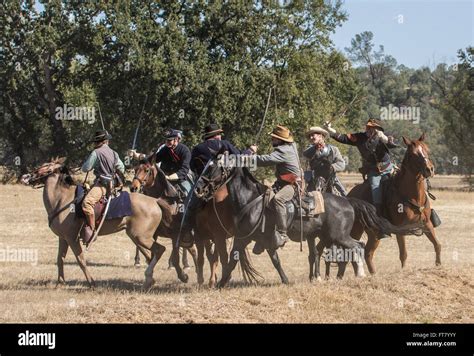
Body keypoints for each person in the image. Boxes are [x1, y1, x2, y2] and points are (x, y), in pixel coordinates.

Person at [179, 123, 251, 247]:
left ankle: (186, 232)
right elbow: (240, 156)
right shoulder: (225, 144)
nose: (220, 136)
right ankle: (250, 226)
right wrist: (250, 151)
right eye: (219, 134)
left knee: (189, 204)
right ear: (216, 135)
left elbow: (192, 166)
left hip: (204, 183)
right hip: (225, 182)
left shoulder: (198, 148)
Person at [325, 119, 398, 238]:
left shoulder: (383, 137)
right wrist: (330, 130)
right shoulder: (359, 137)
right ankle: (380, 223)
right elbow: (343, 138)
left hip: (388, 169)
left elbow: (392, 144)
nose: (370, 130)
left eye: (373, 128)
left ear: (378, 129)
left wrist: (384, 138)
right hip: (374, 172)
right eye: (368, 127)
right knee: (376, 190)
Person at [249, 125, 301, 254]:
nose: (272, 139)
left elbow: (266, 160)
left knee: (278, 199)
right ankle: (264, 237)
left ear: (279, 140)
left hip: (292, 185)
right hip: (281, 183)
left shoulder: (283, 151)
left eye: (274, 138)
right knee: (263, 198)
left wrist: (250, 156)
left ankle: (283, 234)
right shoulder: (291, 146)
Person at [81, 130, 125, 245]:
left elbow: (86, 168)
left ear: (99, 142)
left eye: (95, 142)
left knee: (87, 203)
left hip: (102, 185)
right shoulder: (115, 153)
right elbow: (122, 167)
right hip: (112, 184)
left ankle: (92, 231)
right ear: (107, 141)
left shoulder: (96, 152)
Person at [128, 128, 192, 197]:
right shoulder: (165, 149)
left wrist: (169, 177)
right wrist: (138, 155)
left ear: (176, 139)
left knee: (187, 194)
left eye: (169, 140)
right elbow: (153, 159)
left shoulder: (185, 151)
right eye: (166, 140)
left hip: (179, 180)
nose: (166, 142)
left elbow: (184, 170)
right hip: (163, 179)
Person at [303, 126, 346, 195]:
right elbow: (305, 153)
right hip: (313, 180)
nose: (311, 138)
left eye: (312, 135)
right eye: (310, 136)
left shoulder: (334, 149)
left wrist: (331, 167)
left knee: (344, 196)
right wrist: (316, 149)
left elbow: (342, 164)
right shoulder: (309, 150)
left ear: (320, 136)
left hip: (331, 179)